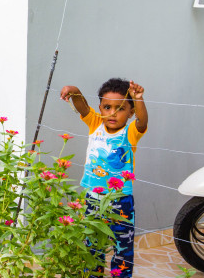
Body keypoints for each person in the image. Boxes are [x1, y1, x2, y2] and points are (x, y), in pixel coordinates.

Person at [60, 78, 148, 278]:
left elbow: (143, 122)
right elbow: (83, 107)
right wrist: (74, 90)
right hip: (93, 198)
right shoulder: (95, 123)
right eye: (107, 107)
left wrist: (139, 99)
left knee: (122, 246)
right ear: (100, 108)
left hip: (120, 201)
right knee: (92, 244)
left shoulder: (130, 133)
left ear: (131, 112)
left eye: (120, 108)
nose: (112, 113)